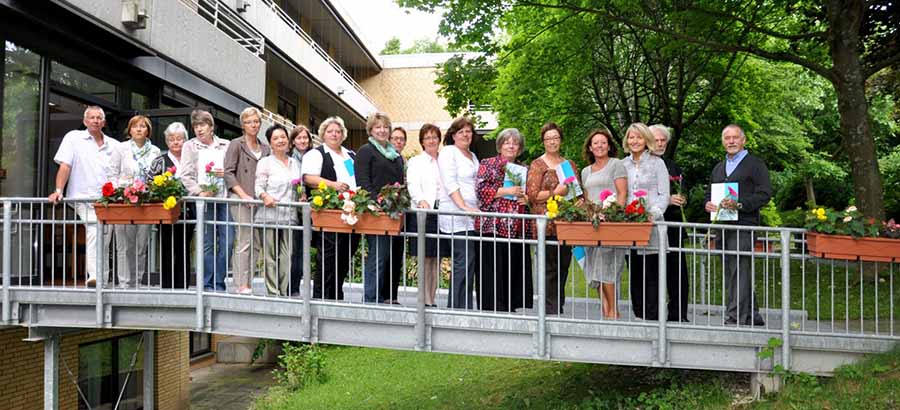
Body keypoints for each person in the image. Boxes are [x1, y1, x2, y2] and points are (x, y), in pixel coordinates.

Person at [704, 124, 772, 326]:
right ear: (723, 141)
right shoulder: (719, 167)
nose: (731, 141)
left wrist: (740, 204)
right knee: (731, 270)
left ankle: (736, 317)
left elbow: (764, 194)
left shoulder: (755, 165)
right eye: (727, 138)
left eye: (735, 138)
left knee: (739, 270)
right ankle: (752, 315)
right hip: (722, 225)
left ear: (744, 141)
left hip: (744, 225)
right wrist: (707, 204)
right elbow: (709, 193)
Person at [48, 105, 120, 288]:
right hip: (83, 197)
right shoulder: (73, 138)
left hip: (108, 200)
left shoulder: (115, 145)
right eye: (92, 117)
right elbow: (65, 166)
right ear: (85, 121)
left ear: (103, 122)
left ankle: (102, 279)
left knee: (104, 237)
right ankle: (95, 276)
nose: (95, 120)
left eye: (99, 118)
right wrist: (58, 190)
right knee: (95, 232)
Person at [301, 116, 360, 300]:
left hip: (351, 212)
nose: (334, 134)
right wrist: (333, 185)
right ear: (323, 134)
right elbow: (309, 178)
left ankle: (336, 295)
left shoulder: (350, 155)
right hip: (329, 214)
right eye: (330, 131)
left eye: (338, 131)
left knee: (345, 255)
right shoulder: (316, 154)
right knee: (328, 257)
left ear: (343, 134)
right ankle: (321, 297)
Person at [475, 128, 533, 312]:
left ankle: (511, 306)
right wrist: (507, 191)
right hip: (492, 225)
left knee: (513, 267)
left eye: (515, 143)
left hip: (515, 226)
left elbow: (528, 195)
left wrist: (526, 199)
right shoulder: (488, 163)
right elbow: (481, 191)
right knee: (492, 268)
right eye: (507, 142)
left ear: (519, 148)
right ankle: (492, 308)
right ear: (500, 146)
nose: (511, 145)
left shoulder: (524, 169)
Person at [526, 122, 581, 315]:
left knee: (563, 266)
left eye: (555, 138)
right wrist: (554, 192)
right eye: (548, 139)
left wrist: (578, 204)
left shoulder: (569, 165)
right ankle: (550, 309)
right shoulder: (537, 165)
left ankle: (559, 306)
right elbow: (532, 195)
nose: (552, 142)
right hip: (545, 223)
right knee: (549, 267)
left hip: (566, 223)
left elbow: (577, 193)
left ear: (561, 140)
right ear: (543, 142)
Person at [181, 109, 233, 292]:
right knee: (207, 242)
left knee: (228, 241)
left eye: (202, 125)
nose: (199, 129)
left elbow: (233, 171)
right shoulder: (190, 146)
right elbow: (185, 175)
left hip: (224, 199)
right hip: (204, 201)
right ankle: (207, 284)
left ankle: (220, 281)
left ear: (211, 127)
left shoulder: (226, 145)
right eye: (196, 126)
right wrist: (199, 191)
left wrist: (225, 174)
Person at [622, 122, 670, 321]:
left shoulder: (657, 163)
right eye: (631, 137)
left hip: (652, 225)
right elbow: (621, 193)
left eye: (639, 137)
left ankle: (653, 317)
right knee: (635, 274)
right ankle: (639, 316)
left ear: (646, 140)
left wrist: (653, 214)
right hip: (630, 227)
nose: (635, 141)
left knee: (653, 275)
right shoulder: (622, 165)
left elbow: (664, 194)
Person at [356, 113, 405, 304]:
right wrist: (377, 203)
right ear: (370, 130)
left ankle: (382, 296)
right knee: (378, 255)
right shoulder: (366, 151)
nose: (382, 130)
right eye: (378, 127)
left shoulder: (395, 154)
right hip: (376, 212)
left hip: (393, 212)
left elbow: (400, 183)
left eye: (385, 127)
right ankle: (370, 298)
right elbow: (363, 182)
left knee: (388, 256)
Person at [108, 115, 160, 288]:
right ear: (129, 130)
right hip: (125, 201)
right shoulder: (121, 148)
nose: (139, 129)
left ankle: (137, 281)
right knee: (124, 246)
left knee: (141, 245)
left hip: (146, 202)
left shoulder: (155, 151)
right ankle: (124, 283)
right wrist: (118, 192)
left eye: (143, 126)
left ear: (148, 130)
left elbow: (157, 177)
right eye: (135, 126)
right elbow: (112, 173)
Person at [580, 129, 627, 319]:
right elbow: (586, 198)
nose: (599, 146)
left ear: (609, 146)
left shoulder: (616, 164)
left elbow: (622, 194)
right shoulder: (585, 171)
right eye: (595, 143)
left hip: (610, 225)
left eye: (603, 142)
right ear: (590, 148)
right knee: (593, 269)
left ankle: (613, 311)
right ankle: (605, 309)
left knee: (607, 268)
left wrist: (612, 214)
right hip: (591, 225)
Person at [224, 107, 270, 294]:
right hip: (240, 198)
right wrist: (243, 196)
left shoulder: (266, 148)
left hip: (259, 200)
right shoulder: (236, 144)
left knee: (257, 242)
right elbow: (228, 172)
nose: (254, 125)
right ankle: (240, 284)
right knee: (244, 241)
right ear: (243, 125)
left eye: (256, 121)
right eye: (249, 122)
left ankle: (248, 281)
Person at [438, 117, 480, 309]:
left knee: (469, 262)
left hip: (472, 217)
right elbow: (450, 182)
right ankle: (455, 307)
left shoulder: (472, 156)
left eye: (469, 131)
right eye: (461, 131)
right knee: (462, 261)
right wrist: (463, 206)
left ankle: (464, 306)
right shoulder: (448, 152)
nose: (465, 134)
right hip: (455, 215)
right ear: (453, 135)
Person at [650, 124, 690, 321]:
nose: (659, 144)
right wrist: (667, 199)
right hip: (651, 228)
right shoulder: (643, 166)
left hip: (673, 226)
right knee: (651, 272)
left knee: (678, 272)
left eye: (663, 140)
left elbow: (684, 189)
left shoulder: (673, 166)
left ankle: (678, 313)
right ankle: (653, 314)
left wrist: (682, 197)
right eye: (656, 140)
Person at [406, 124, 448, 307]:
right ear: (422, 141)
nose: (431, 140)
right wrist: (421, 200)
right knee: (425, 258)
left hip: (442, 212)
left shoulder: (445, 160)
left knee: (437, 258)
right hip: (424, 213)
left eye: (434, 137)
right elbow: (412, 184)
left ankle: (432, 297)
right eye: (427, 137)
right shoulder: (416, 161)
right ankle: (423, 298)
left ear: (439, 139)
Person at [255, 124, 300, 296]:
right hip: (269, 214)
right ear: (270, 143)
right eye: (276, 138)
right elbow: (258, 187)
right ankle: (273, 292)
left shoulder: (294, 163)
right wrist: (265, 196)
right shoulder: (265, 162)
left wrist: (301, 196)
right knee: (270, 256)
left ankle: (283, 290)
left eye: (283, 137)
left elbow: (297, 187)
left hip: (289, 215)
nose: (280, 140)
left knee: (287, 255)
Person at [149, 122, 195, 290]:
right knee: (166, 246)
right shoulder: (159, 161)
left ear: (185, 140)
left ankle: (183, 285)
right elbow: (150, 184)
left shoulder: (192, 159)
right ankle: (167, 285)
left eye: (179, 139)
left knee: (184, 247)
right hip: (165, 211)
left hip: (188, 210)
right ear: (167, 142)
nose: (176, 142)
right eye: (171, 139)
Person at [289, 125, 313, 296]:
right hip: (295, 208)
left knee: (306, 248)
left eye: (305, 138)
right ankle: (293, 286)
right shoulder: (290, 159)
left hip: (312, 208)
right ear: (293, 141)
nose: (302, 141)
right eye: (299, 138)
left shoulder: (315, 157)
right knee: (295, 249)